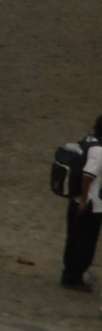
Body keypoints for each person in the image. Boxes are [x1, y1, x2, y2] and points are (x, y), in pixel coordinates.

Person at [65, 115, 102, 291]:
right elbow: (88, 176)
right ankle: (75, 277)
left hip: (77, 199)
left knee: (73, 237)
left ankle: (69, 272)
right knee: (85, 243)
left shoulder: (88, 142)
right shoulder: (99, 151)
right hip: (90, 204)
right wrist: (85, 201)